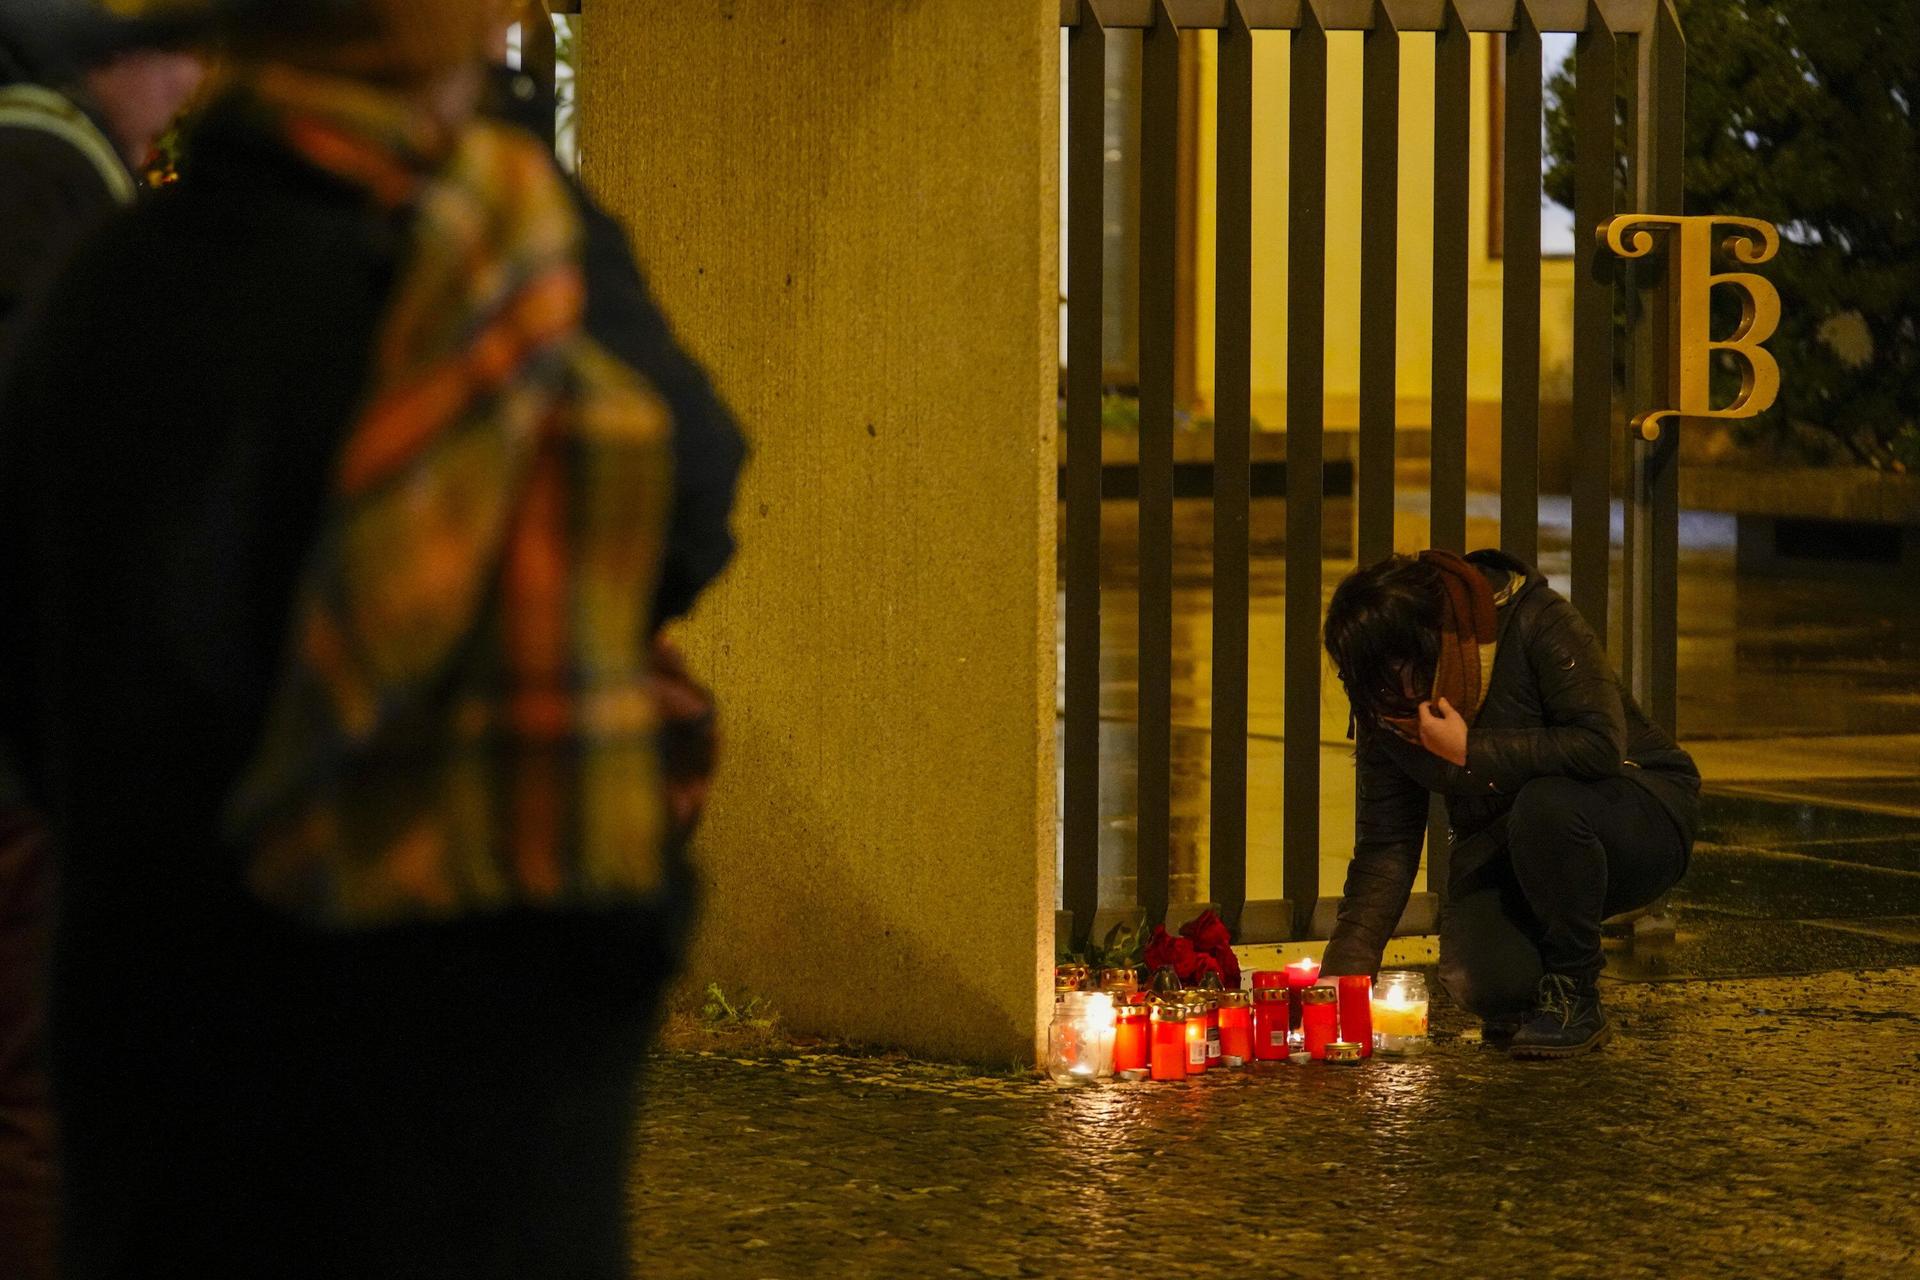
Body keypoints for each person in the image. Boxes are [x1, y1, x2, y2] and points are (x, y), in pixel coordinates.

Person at [0, 2, 740, 1276]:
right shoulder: (517, 248)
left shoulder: (126, 285)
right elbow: (694, 503)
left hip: (173, 1020)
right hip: (481, 1029)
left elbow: (39, 660)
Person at [0, 6, 206, 1276]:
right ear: (115, 60)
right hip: (27, 749)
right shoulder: (49, 182)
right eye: (183, 55)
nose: (195, 86)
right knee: (42, 1097)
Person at [1319, 550, 1699, 1058]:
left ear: (1424, 642)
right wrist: (1340, 980)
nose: (1384, 695)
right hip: (1511, 842)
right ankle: (1540, 975)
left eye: (1389, 672)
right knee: (1485, 984)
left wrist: (1469, 750)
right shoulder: (1386, 701)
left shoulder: (1534, 618)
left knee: (1547, 806)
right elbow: (1388, 843)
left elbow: (1600, 747)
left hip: (1636, 814)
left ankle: (1574, 994)